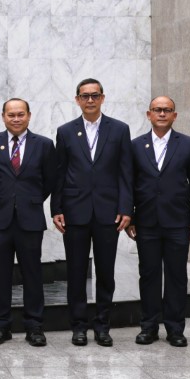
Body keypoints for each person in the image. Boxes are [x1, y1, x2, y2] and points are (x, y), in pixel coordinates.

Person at [52, 78, 132, 347]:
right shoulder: (65, 131)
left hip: (109, 213)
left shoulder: (119, 130)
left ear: (102, 98)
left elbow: (125, 172)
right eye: (84, 96)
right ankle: (78, 326)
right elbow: (60, 173)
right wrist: (56, 208)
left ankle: (102, 325)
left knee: (106, 272)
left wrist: (126, 208)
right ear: (77, 99)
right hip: (75, 212)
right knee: (76, 271)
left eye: (94, 95)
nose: (90, 100)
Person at [128, 96, 190, 347]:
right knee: (149, 275)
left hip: (178, 222)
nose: (162, 114)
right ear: (149, 114)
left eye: (167, 110)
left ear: (175, 115)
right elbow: (129, 184)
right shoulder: (135, 146)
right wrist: (130, 217)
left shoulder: (189, 145)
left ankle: (175, 329)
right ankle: (148, 327)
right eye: (157, 110)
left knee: (176, 276)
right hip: (146, 222)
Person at [0, 98, 55, 347]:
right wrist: (5, 199)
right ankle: (0, 326)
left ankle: (34, 326)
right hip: (0, 219)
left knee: (32, 274)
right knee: (0, 274)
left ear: (29, 116)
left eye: (20, 114)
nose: (16, 119)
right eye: (11, 114)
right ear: (3, 117)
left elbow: (49, 181)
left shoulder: (44, 145)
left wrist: (29, 200)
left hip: (30, 219)